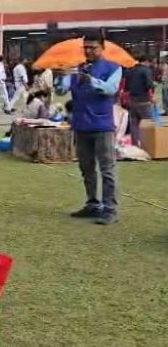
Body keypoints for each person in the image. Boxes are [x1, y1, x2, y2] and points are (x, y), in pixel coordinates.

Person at [55, 33, 122, 225]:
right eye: (85, 47)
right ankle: (93, 204)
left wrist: (91, 80)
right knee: (86, 168)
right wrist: (61, 78)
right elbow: (61, 91)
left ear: (102, 48)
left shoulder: (113, 68)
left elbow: (110, 89)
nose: (88, 51)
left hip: (102, 126)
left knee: (107, 169)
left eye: (92, 47)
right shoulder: (79, 70)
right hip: (81, 125)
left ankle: (110, 209)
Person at [124, 55, 156, 146]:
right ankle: (148, 145)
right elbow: (149, 84)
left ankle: (135, 145)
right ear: (146, 61)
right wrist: (152, 96)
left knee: (134, 124)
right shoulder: (146, 70)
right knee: (147, 123)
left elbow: (127, 86)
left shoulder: (131, 70)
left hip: (132, 100)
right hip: (144, 100)